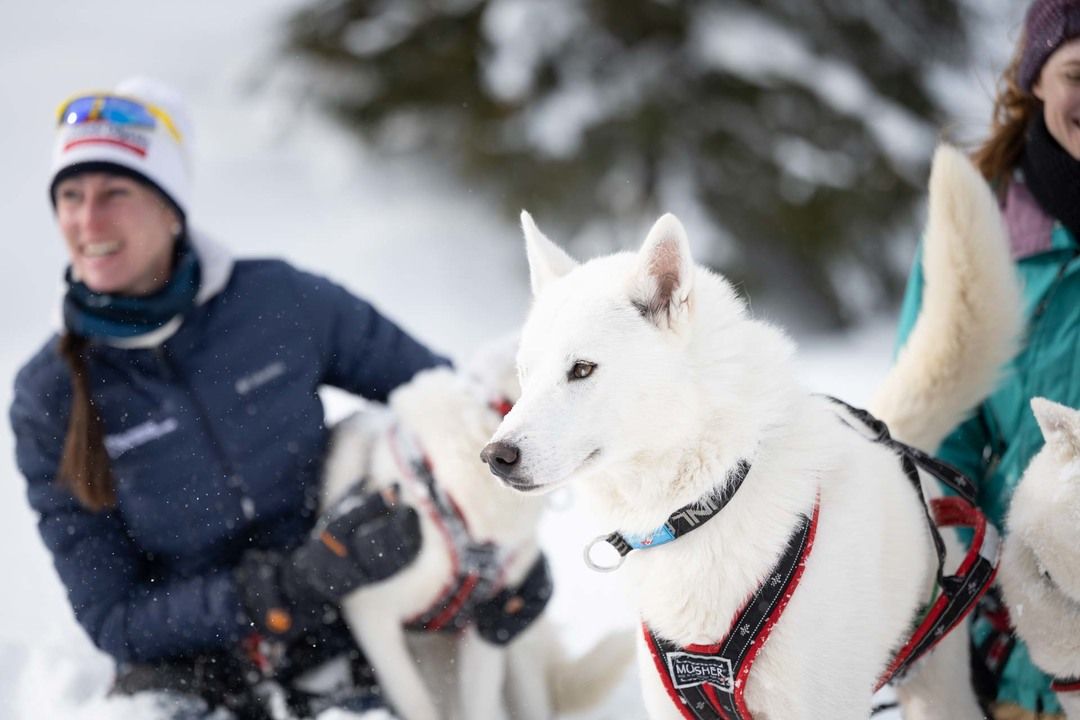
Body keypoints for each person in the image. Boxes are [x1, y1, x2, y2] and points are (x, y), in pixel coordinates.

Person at [9, 76, 450, 719]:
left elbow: (443, 398)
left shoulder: (279, 302)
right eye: (71, 196)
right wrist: (277, 587)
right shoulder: (47, 395)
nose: (87, 220)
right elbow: (114, 616)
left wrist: (490, 552)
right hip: (189, 667)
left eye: (114, 193)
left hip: (344, 627)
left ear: (170, 208)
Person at [894, 1, 1080, 718]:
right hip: (1003, 654)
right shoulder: (982, 222)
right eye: (1076, 73)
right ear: (1034, 78)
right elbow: (934, 430)